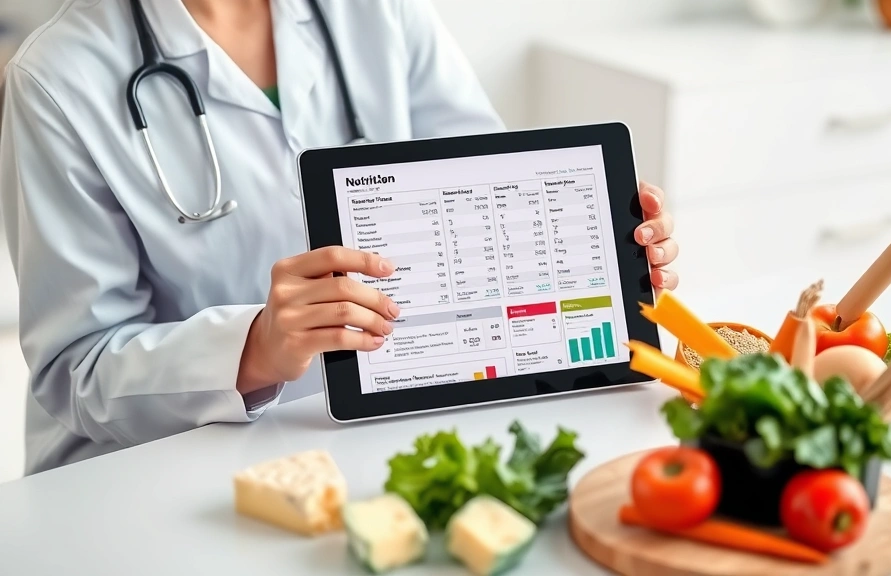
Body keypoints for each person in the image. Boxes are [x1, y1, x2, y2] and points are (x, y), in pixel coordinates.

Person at [0, 0, 680, 475]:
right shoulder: (59, 78)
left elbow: (481, 191)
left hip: (363, 421)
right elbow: (75, 369)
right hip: (147, 469)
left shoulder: (375, 10)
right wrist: (255, 348)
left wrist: (595, 239)